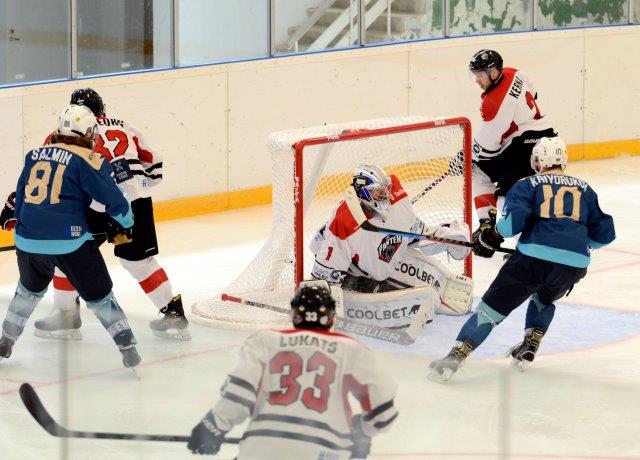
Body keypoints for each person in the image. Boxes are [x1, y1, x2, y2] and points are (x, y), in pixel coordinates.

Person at [428, 137, 616, 382]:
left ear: (537, 161)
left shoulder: (527, 184)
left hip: (532, 261)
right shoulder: (585, 189)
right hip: (574, 265)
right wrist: (575, 243)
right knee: (544, 298)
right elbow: (605, 235)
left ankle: (454, 358)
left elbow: (509, 226)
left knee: (489, 313)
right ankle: (531, 343)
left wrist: (492, 233)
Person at [32, 88, 190, 341]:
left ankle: (66, 316)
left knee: (67, 255)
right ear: (102, 109)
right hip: (132, 204)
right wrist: (135, 186)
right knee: (138, 262)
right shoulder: (125, 127)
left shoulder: (58, 135)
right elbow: (155, 166)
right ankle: (173, 314)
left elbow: (51, 175)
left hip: (90, 207)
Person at [187, 282, 398, 459]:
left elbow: (240, 392)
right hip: (326, 451)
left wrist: (213, 426)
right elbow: (383, 412)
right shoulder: (351, 349)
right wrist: (362, 431)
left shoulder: (264, 341)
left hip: (262, 448)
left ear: (294, 315)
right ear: (332, 318)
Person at [0, 104, 140, 369]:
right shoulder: (89, 158)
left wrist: (24, 227)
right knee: (100, 295)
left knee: (27, 290)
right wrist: (127, 222)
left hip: (27, 240)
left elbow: (20, 199)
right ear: (86, 132)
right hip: (70, 242)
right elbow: (114, 199)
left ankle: (6, 339)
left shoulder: (33, 155)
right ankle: (127, 345)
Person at [309, 163, 473, 332]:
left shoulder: (395, 197)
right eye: (378, 192)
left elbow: (411, 230)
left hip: (371, 259)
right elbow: (325, 274)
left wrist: (442, 237)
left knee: (387, 270)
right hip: (346, 268)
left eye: (386, 189)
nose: (386, 195)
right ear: (363, 192)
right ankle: (361, 286)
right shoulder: (344, 222)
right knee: (366, 286)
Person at [468, 49, 557, 223]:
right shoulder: (513, 72)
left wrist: (467, 155)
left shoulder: (493, 102)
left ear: (493, 72)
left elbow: (487, 147)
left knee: (478, 171)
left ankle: (488, 227)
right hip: (547, 136)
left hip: (522, 147)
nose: (477, 80)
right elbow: (534, 92)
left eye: (479, 75)